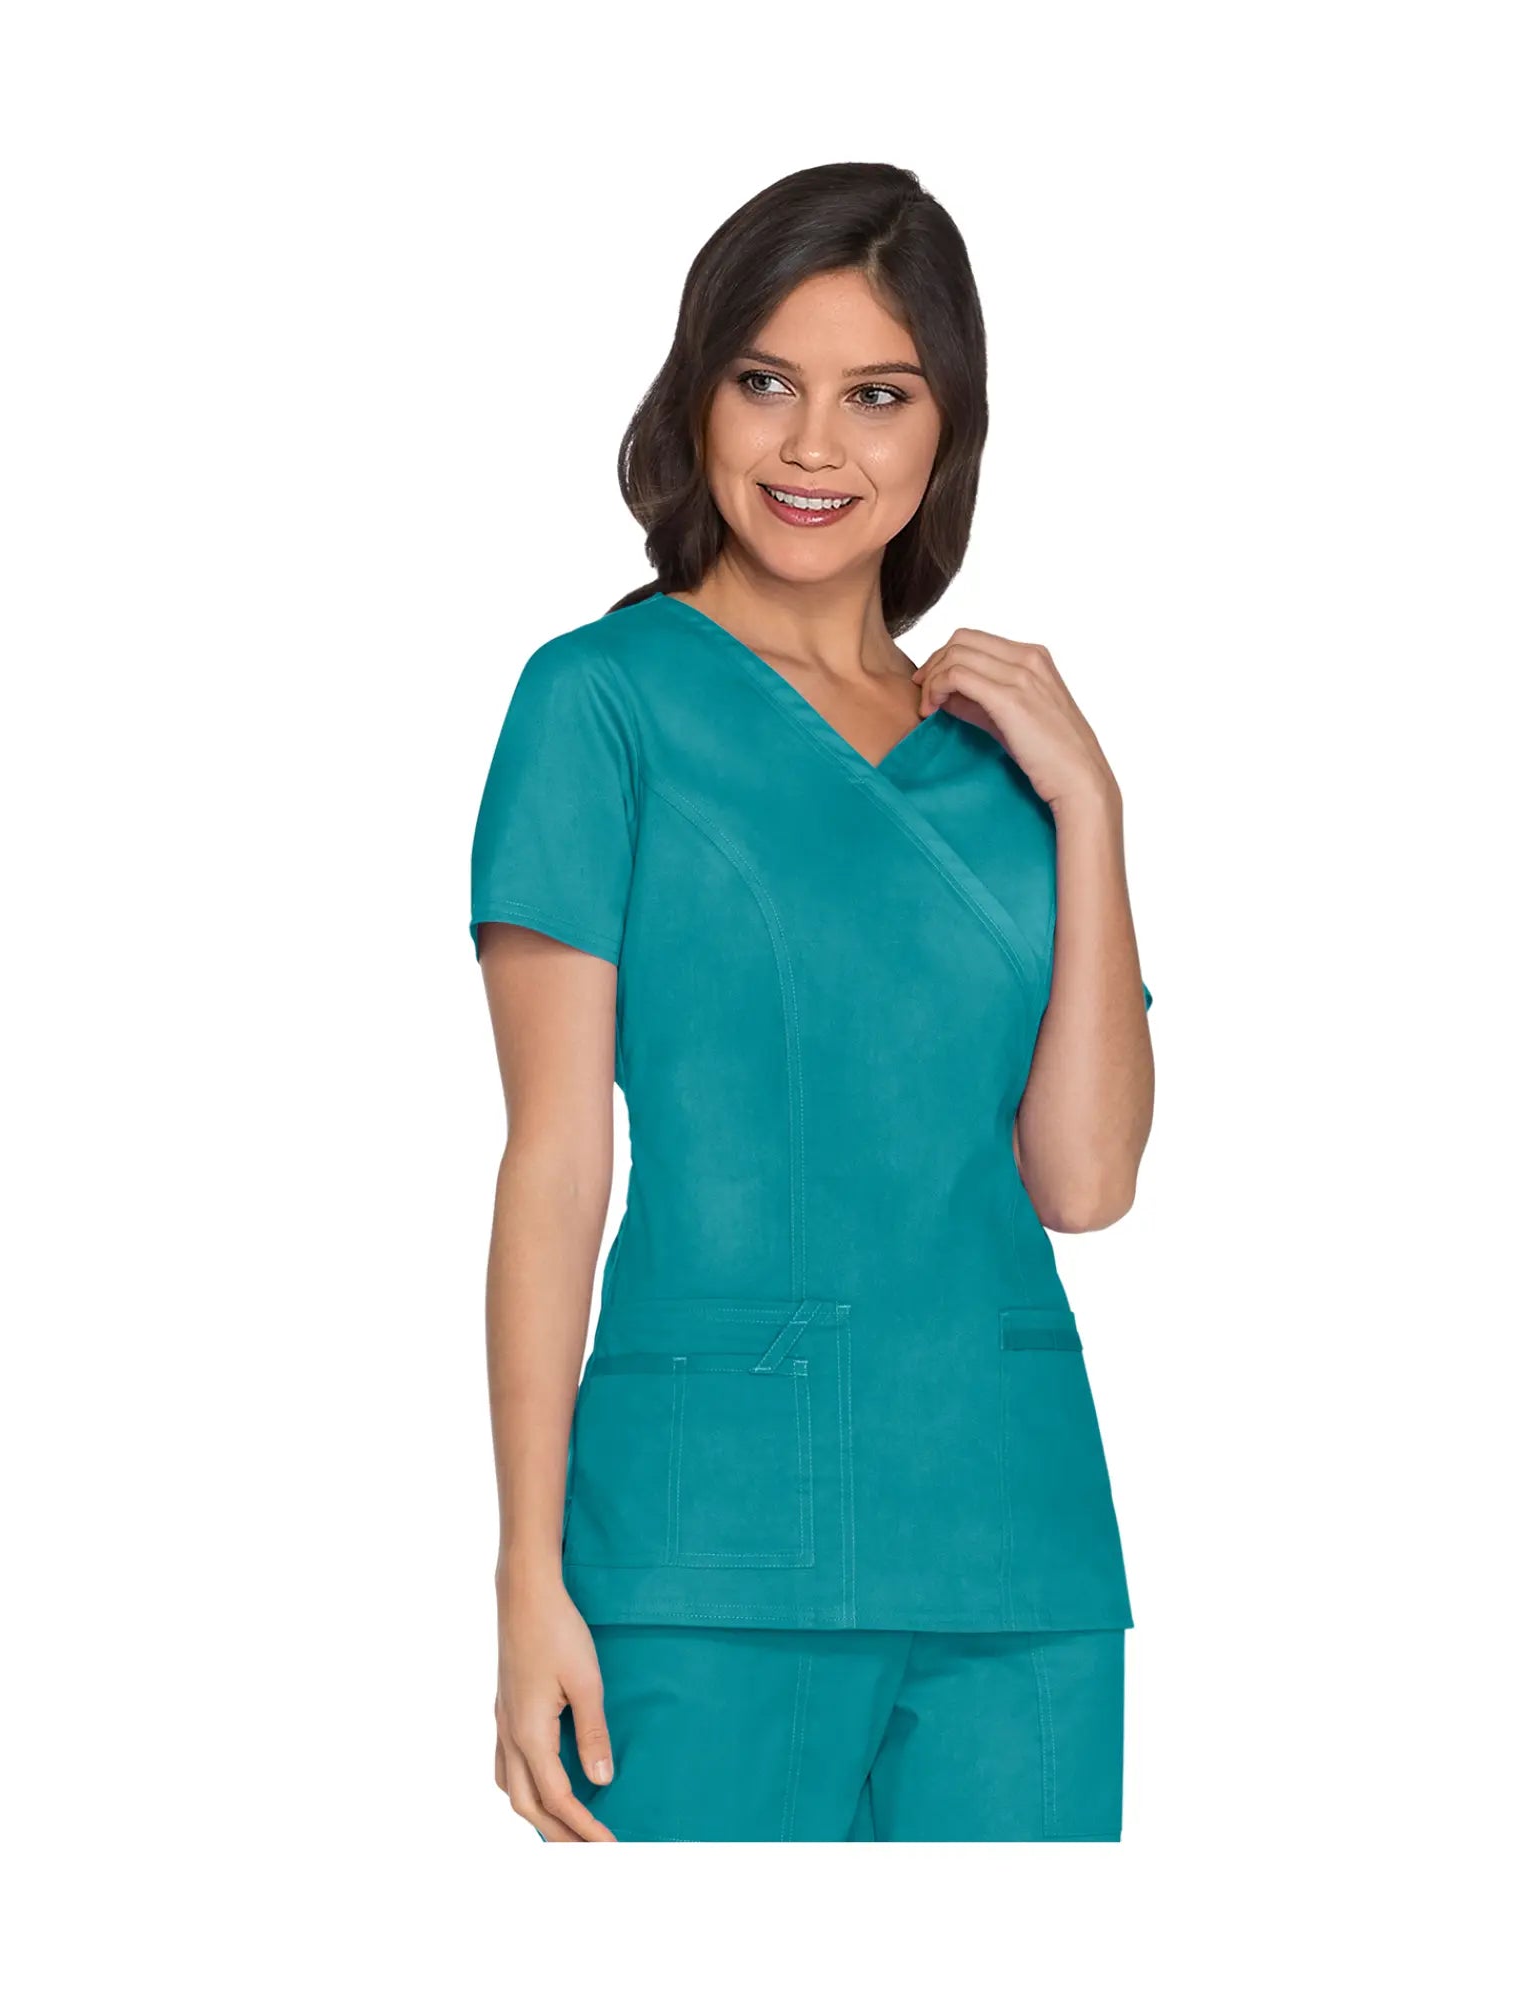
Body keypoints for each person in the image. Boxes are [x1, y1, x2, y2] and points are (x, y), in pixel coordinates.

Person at [467, 162, 1156, 1842]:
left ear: (947, 431)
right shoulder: (601, 705)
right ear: (698, 396)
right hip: (703, 1551)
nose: (815, 447)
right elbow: (555, 1161)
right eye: (767, 381)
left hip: (1017, 1559)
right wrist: (527, 1573)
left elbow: (1084, 1182)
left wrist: (1094, 807)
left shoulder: (1008, 760)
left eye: (879, 396)